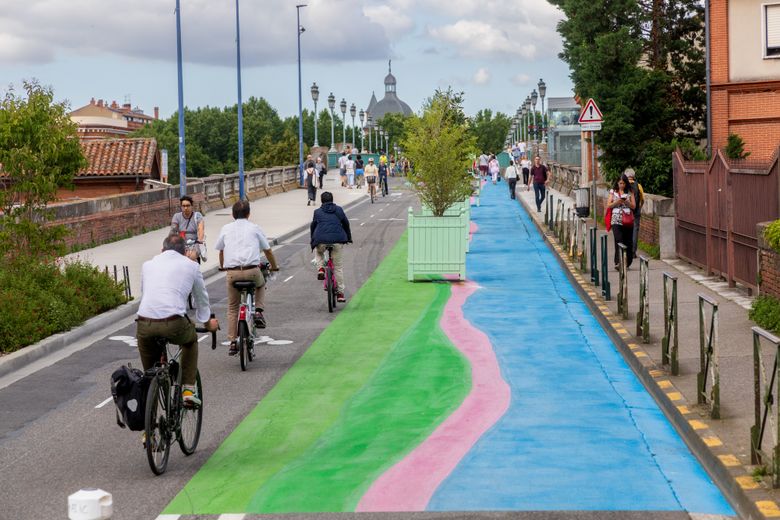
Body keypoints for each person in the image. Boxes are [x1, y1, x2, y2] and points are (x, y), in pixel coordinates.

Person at [136, 234, 219, 407]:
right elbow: (201, 299)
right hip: (173, 322)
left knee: (150, 376)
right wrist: (207, 322)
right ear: (184, 252)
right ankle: (188, 389)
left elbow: (146, 293)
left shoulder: (148, 265)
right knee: (190, 341)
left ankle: (147, 431)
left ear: (162, 250)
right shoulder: (191, 266)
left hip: (144, 323)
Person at [215, 200, 280, 356]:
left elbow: (221, 250)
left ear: (232, 214)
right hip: (252, 271)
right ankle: (258, 311)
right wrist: (274, 266)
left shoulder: (226, 228)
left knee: (232, 308)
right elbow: (268, 251)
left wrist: (223, 266)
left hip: (233, 273)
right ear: (249, 214)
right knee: (260, 283)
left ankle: (232, 341)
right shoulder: (255, 228)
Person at [310, 191, 352, 303]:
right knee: (338, 267)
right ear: (332, 200)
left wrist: (312, 241)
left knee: (318, 252)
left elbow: (313, 226)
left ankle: (320, 269)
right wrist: (348, 237)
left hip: (321, 240)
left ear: (322, 200)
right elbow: (346, 224)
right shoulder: (339, 210)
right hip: (338, 240)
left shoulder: (317, 212)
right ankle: (341, 294)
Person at [607, 174, 636, 270]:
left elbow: (634, 206)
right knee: (619, 239)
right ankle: (618, 262)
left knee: (628, 241)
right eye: (620, 183)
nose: (621, 185)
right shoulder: (613, 192)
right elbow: (609, 205)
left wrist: (626, 202)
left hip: (627, 219)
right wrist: (617, 202)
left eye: (623, 183)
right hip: (616, 219)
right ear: (617, 183)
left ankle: (627, 261)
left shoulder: (630, 191)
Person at [170, 195, 205, 262]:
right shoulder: (177, 216)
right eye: (183, 206)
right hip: (181, 243)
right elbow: (173, 230)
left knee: (191, 257)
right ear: (181, 207)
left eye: (188, 205)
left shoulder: (197, 216)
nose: (185, 208)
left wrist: (200, 241)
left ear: (192, 206)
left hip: (195, 243)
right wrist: (169, 243)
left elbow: (201, 229)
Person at [625, 168, 645, 256]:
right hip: (636, 211)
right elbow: (642, 199)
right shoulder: (638, 185)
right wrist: (639, 207)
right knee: (635, 230)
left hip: (626, 212)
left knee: (626, 229)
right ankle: (633, 251)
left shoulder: (624, 185)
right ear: (633, 176)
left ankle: (626, 249)